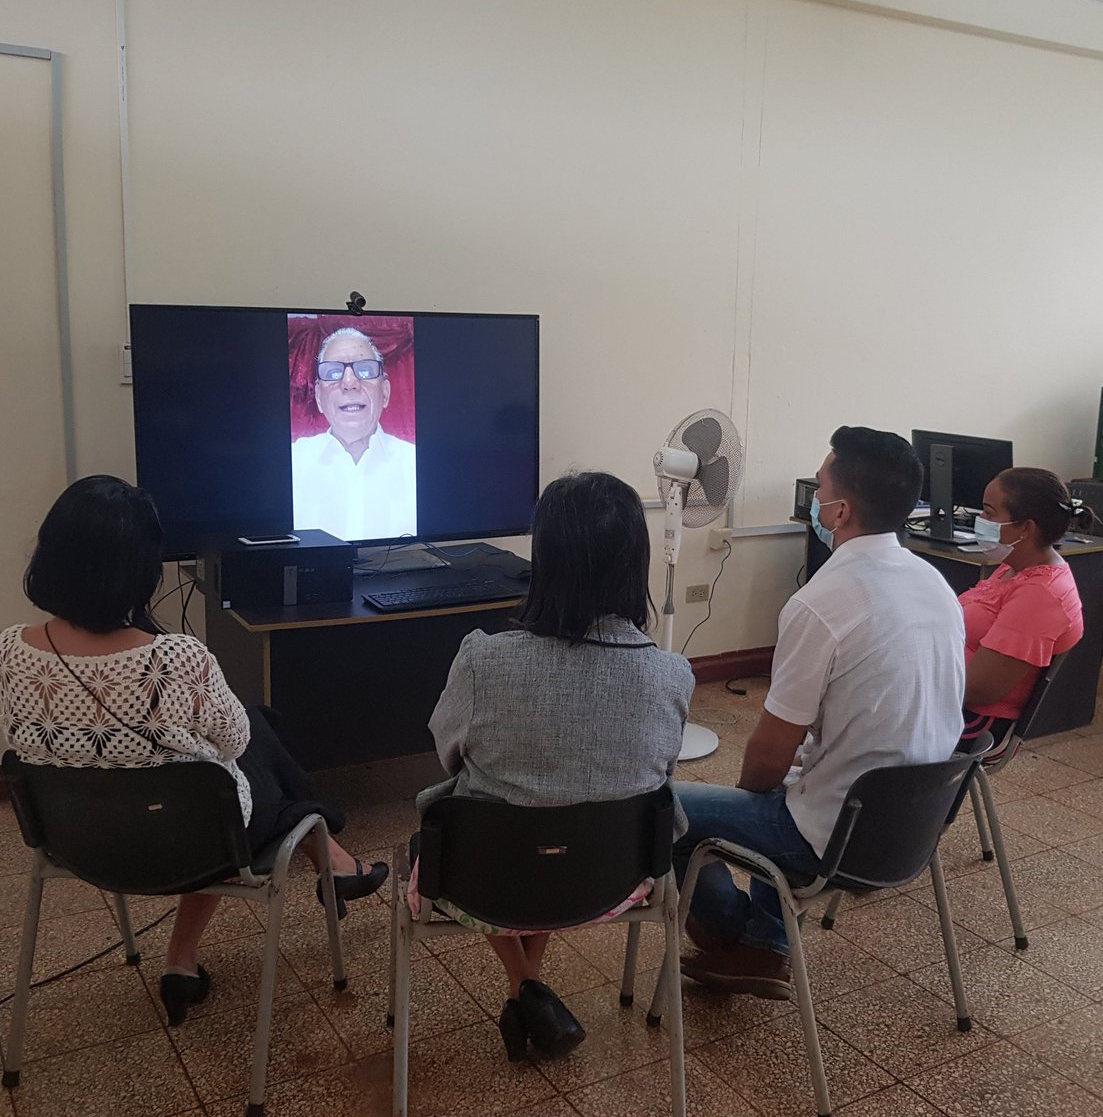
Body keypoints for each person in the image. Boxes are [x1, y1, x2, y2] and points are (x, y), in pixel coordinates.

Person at [0, 476, 388, 1026]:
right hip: (195, 841)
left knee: (213, 771)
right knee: (252, 741)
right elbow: (233, 743)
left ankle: (191, 956)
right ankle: (329, 848)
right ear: (141, 566)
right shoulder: (177, 658)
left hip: (78, 843)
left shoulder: (10, 651)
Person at [673, 426, 966, 999]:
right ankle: (762, 938)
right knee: (795, 776)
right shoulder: (935, 584)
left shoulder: (821, 602)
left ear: (839, 511)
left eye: (821, 488)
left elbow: (769, 753)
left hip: (835, 838)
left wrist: (756, 796)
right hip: (913, 828)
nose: (815, 501)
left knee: (663, 808)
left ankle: (744, 940)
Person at [415, 471, 693, 1061]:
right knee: (553, 820)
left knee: (510, 817)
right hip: (612, 881)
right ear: (635, 561)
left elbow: (448, 752)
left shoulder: (483, 659)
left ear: (545, 558)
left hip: (479, 880)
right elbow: (661, 769)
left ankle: (524, 987)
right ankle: (528, 988)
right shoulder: (672, 674)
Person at [959, 467, 1088, 750]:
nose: (980, 520)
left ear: (1026, 528)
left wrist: (913, 681)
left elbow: (981, 688)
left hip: (976, 722)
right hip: (952, 700)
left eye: (989, 513)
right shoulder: (1014, 568)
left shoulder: (1040, 595)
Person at [290, 326, 416, 541]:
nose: (349, 383)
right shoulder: (293, 460)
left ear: (385, 393)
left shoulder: (415, 462)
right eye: (333, 373)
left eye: (365, 370)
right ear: (319, 398)